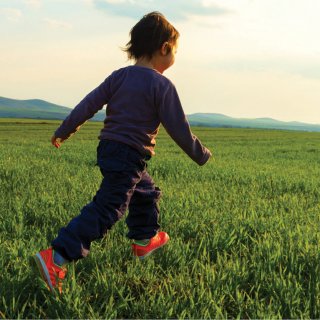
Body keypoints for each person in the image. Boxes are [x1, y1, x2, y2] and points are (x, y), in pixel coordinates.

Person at [33, 11, 212, 294]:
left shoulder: (119, 77)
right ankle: (57, 256)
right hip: (130, 153)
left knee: (144, 191)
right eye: (175, 51)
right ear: (165, 48)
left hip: (110, 149)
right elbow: (178, 127)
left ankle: (144, 240)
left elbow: (88, 104)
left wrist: (65, 130)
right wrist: (200, 154)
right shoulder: (162, 85)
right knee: (109, 207)